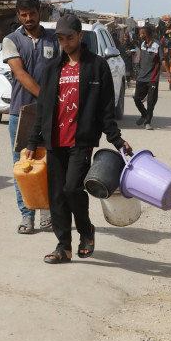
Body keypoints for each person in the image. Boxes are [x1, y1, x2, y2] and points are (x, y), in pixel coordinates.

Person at [22, 14, 133, 264]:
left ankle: (85, 230)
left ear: (80, 36)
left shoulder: (97, 66)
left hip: (80, 140)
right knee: (57, 196)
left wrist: (116, 139)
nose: (65, 43)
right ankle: (64, 246)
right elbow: (43, 108)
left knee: (72, 188)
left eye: (69, 37)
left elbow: (106, 109)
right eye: (61, 38)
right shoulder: (52, 69)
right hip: (54, 140)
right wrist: (32, 142)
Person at [2, 0, 59, 234]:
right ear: (18, 16)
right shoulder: (11, 40)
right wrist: (46, 99)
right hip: (21, 113)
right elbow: (20, 74)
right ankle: (27, 216)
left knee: (49, 163)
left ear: (39, 13)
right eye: (23, 15)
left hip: (51, 113)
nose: (28, 19)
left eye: (32, 14)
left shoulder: (54, 40)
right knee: (23, 166)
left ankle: (47, 211)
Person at [134, 25, 171, 130]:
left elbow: (163, 60)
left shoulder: (157, 45)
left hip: (152, 78)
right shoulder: (142, 44)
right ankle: (144, 114)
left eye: (141, 33)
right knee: (137, 99)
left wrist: (169, 75)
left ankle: (147, 122)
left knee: (151, 102)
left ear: (145, 34)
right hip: (141, 77)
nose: (140, 35)